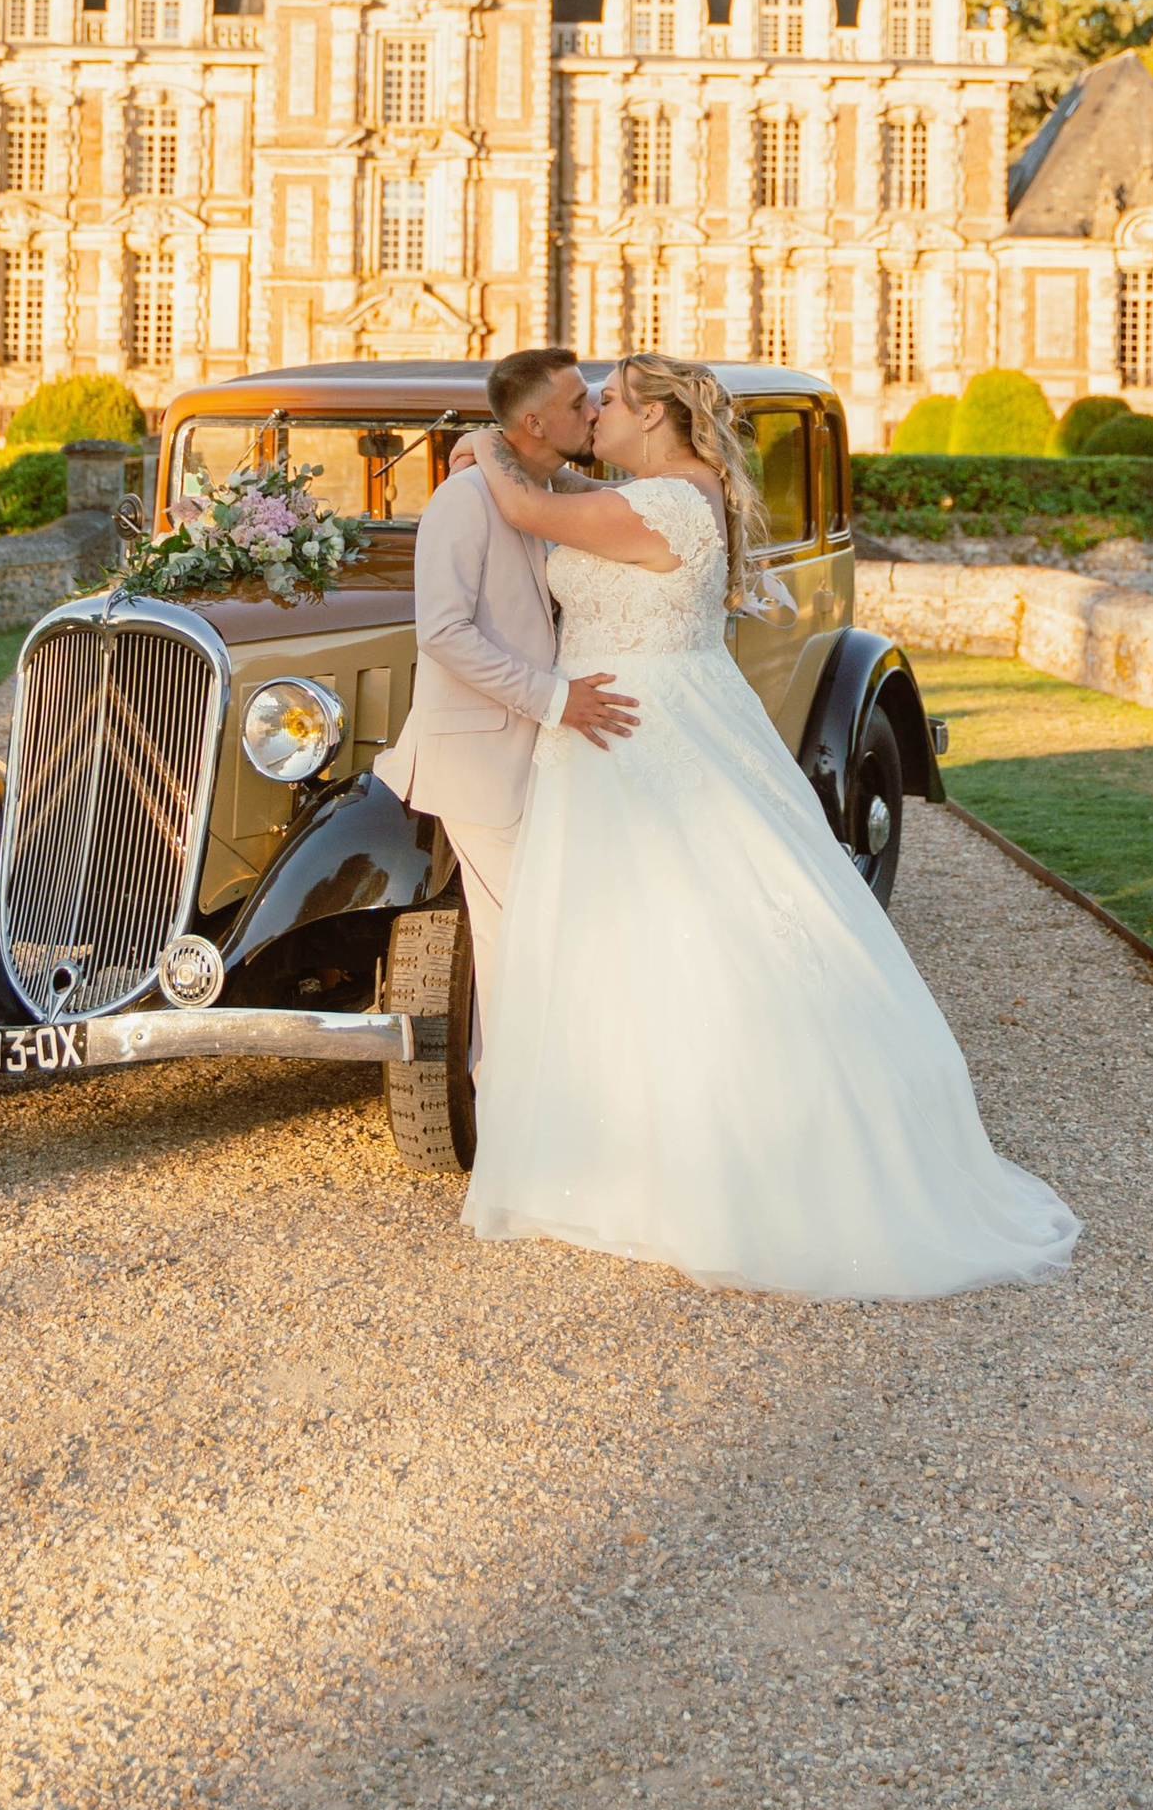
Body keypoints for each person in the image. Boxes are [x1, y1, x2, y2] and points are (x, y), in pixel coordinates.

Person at [450, 355, 1080, 1303]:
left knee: (701, 923)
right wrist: (530, 463)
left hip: (641, 723)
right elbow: (571, 494)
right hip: (636, 719)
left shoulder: (662, 507)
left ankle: (720, 1159)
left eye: (610, 400)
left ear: (656, 414)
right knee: (641, 928)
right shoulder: (672, 489)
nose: (595, 413)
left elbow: (536, 512)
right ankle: (632, 1139)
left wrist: (485, 450)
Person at [372, 349, 638, 1034]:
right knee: (511, 943)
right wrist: (556, 698)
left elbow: (621, 503)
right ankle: (506, 1110)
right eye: (579, 402)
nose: (594, 409)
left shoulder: (543, 486)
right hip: (481, 761)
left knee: (542, 935)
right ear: (535, 423)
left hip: (541, 757)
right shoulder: (461, 501)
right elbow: (444, 634)